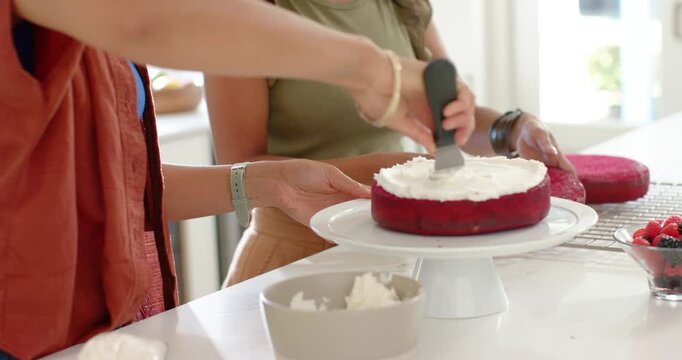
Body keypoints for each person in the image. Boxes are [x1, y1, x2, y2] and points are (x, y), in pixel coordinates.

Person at [1, 0, 459, 358]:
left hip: (108, 332)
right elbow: (148, 20)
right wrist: (373, 69)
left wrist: (268, 183)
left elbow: (109, 186)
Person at [205, 0, 576, 287]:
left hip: (400, 252)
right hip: (292, 259)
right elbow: (237, 163)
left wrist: (511, 129)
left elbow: (448, 122)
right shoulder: (243, 14)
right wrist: (390, 173)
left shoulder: (403, 6)